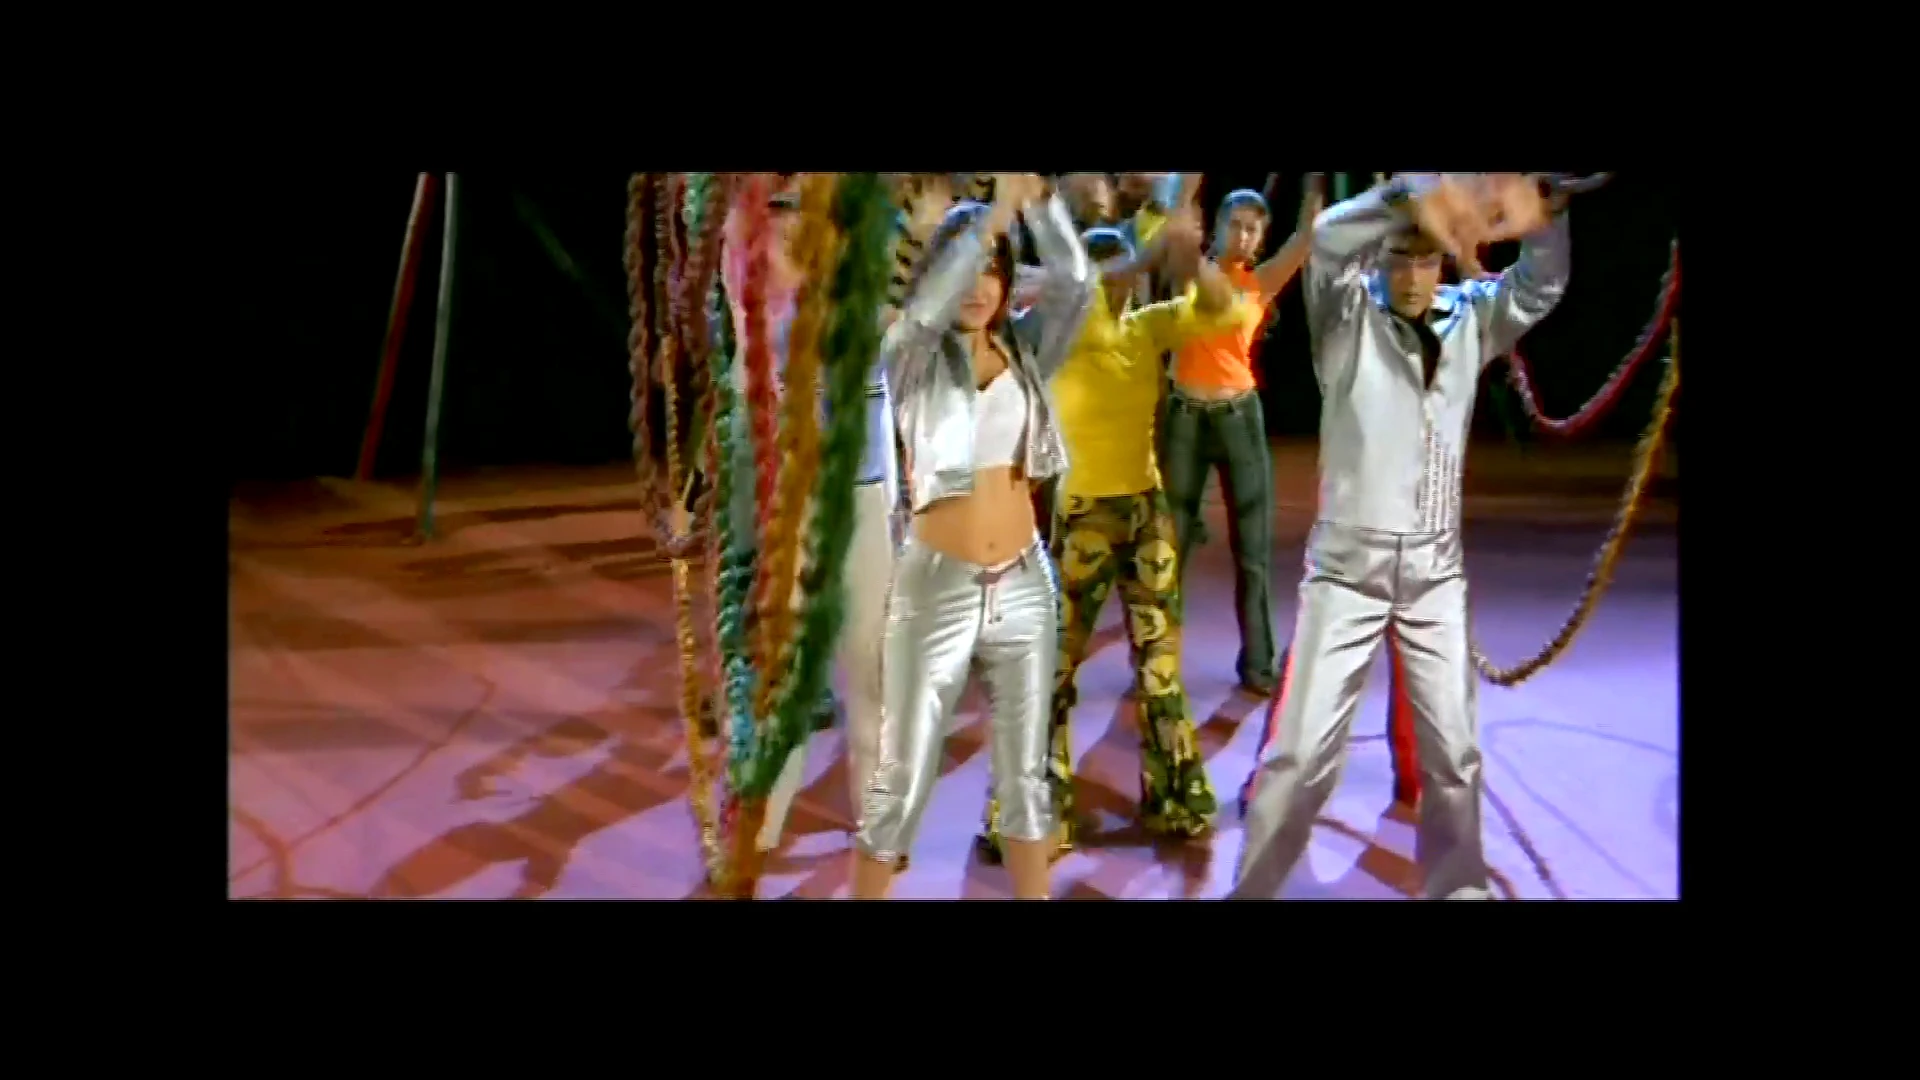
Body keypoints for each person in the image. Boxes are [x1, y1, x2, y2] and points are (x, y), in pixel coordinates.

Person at [1231, 174, 1568, 900]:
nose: (1413, 275)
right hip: (1344, 572)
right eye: (1400, 258)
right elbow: (1329, 238)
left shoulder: (1471, 318)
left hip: (1435, 574)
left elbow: (1541, 285)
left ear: (1443, 261)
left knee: (1455, 756)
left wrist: (1544, 211)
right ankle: (1256, 890)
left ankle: (1460, 889)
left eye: (1426, 259)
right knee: (1296, 756)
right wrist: (1415, 192)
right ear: (1382, 257)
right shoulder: (1343, 315)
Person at [976, 209, 1255, 862]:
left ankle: (1175, 800)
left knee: (1160, 670)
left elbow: (1222, 309)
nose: (1115, 284)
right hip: (1083, 517)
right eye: (1103, 273)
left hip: (1144, 512)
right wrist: (1144, 258)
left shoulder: (1146, 325)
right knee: (1055, 668)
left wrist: (1192, 263)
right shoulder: (1068, 326)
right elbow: (1079, 295)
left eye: (1118, 272)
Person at [852, 174, 1093, 900]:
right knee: (900, 781)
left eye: (995, 269)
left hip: (1024, 583)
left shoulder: (1027, 351)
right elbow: (926, 311)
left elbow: (1077, 283)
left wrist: (1038, 202)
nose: (980, 286)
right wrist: (993, 217)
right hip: (937, 589)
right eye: (969, 266)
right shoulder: (910, 351)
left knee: (1026, 782)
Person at [720, 177, 900, 861]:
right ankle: (760, 823)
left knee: (870, 668)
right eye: (787, 215)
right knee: (791, 672)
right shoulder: (773, 314)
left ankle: (876, 817)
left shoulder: (878, 311)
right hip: (799, 503)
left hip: (864, 499)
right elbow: (743, 237)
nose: (798, 226)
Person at [1159, 180, 1320, 696]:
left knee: (1252, 552)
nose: (1244, 236)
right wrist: (1186, 191)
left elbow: (1306, 235)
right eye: (1236, 225)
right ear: (1217, 226)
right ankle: (1157, 664)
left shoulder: (1260, 282)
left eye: (1254, 230)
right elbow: (1178, 217)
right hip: (1185, 418)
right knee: (1172, 547)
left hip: (1238, 419)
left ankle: (1258, 665)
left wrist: (1315, 181)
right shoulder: (1188, 267)